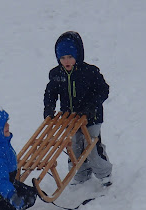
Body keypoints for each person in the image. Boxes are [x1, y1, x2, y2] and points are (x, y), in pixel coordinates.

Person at [43, 31, 112, 186]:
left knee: (92, 146)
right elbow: (50, 93)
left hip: (91, 117)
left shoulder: (90, 72)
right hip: (70, 118)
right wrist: (49, 107)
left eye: (70, 57)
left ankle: (104, 174)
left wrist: (91, 106)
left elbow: (103, 90)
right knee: (73, 147)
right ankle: (81, 175)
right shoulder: (56, 74)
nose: (66, 61)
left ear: (78, 55)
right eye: (62, 58)